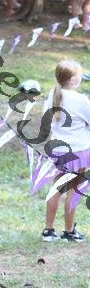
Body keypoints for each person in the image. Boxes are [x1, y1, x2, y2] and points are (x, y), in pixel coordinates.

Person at [42, 60, 90, 243]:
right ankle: (69, 231)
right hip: (78, 152)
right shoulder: (80, 99)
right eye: (79, 75)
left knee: (56, 189)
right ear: (72, 80)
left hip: (58, 151)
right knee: (74, 191)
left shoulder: (52, 95)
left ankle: (48, 230)